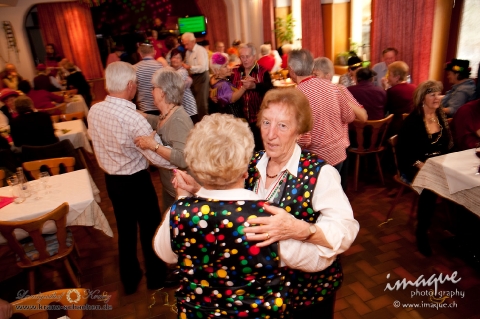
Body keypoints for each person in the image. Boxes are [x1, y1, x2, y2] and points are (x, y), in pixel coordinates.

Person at [174, 89, 359, 318]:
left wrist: (302, 230)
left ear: (299, 130)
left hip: (307, 296)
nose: (271, 134)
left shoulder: (320, 173)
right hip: (260, 298)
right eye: (266, 123)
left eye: (282, 126)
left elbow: (345, 231)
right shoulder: (250, 163)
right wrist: (198, 190)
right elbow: (231, 206)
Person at [154, 113, 294, 317]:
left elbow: (165, 253)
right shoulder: (268, 214)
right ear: (245, 167)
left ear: (195, 165)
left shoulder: (181, 212)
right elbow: (301, 259)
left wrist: (182, 199)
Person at [88, 61, 176, 294]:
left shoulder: (94, 110)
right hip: (136, 181)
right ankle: (156, 278)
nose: (136, 87)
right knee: (149, 229)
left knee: (125, 231)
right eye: (136, 83)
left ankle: (129, 279)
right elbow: (158, 159)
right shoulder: (132, 118)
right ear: (129, 85)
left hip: (112, 182)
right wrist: (178, 158)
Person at [397, 80, 454, 256]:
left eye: (439, 94)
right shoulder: (413, 121)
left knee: (461, 180)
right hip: (413, 164)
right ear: (423, 98)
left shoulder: (440, 117)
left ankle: (458, 230)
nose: (438, 98)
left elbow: (447, 146)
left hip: (437, 164)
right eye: (433, 94)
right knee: (431, 186)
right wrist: (422, 165)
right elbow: (403, 153)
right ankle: (422, 231)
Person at [290, 49, 365, 171]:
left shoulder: (297, 95)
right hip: (338, 153)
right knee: (337, 188)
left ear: (291, 70)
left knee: (320, 190)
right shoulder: (332, 86)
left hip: (315, 157)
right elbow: (349, 117)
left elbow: (304, 138)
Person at [134, 68, 194, 212]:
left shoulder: (178, 119)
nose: (151, 92)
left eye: (153, 88)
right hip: (171, 185)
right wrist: (141, 115)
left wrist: (153, 146)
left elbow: (183, 159)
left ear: (162, 92)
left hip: (182, 189)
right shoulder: (167, 113)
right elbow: (161, 123)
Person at [230, 43, 273, 150]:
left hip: (258, 120)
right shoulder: (234, 72)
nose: (244, 60)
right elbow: (226, 90)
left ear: (254, 57)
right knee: (242, 150)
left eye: (247, 56)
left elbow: (271, 91)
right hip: (239, 120)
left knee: (259, 149)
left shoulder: (262, 72)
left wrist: (255, 86)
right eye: (242, 57)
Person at [181, 32, 210, 120]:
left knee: (201, 103)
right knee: (195, 102)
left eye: (187, 44)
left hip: (202, 76)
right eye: (184, 45)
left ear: (193, 41)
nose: (185, 47)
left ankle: (205, 124)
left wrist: (189, 67)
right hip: (194, 77)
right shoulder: (187, 52)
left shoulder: (200, 50)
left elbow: (202, 67)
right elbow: (186, 64)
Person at [385, 61, 416, 137]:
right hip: (414, 127)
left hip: (397, 130)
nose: (387, 78)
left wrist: (385, 90)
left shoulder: (392, 91)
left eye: (389, 75)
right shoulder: (415, 88)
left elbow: (384, 110)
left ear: (397, 77)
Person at [209, 52, 246, 116]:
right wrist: (244, 87)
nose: (229, 67)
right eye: (225, 66)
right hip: (233, 118)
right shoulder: (223, 84)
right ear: (217, 70)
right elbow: (233, 98)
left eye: (228, 64)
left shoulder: (213, 78)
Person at [169, 48, 198, 122]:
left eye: (178, 58)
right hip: (183, 107)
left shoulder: (182, 71)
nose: (175, 59)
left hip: (188, 107)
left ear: (182, 61)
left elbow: (172, 84)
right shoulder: (173, 71)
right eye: (174, 57)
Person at [135, 42, 164, 115]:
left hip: (143, 107)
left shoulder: (135, 68)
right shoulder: (160, 66)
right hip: (160, 106)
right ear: (154, 52)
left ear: (140, 54)